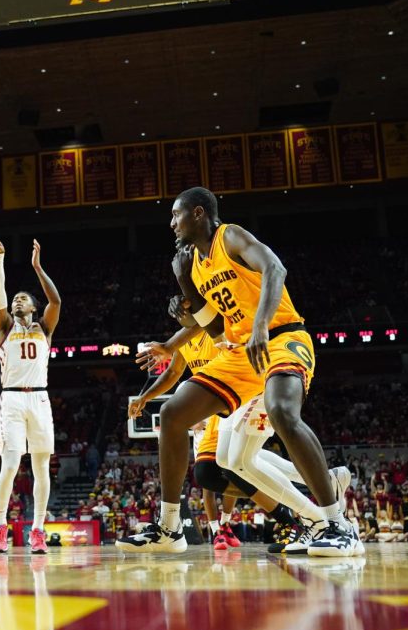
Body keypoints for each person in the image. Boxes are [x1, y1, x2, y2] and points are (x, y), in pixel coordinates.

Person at [134, 188, 359, 557]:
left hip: (283, 337)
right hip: (240, 354)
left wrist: (261, 326)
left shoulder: (230, 236)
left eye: (176, 215)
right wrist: (185, 286)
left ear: (199, 214)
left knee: (282, 412)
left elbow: (276, 268)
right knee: (174, 415)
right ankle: (169, 527)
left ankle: (337, 524)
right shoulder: (193, 263)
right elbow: (217, 331)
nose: (171, 223)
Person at [121, 295, 323, 554]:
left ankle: (292, 516)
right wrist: (145, 397)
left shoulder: (222, 328)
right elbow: (172, 373)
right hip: (204, 408)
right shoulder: (185, 341)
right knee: (217, 472)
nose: (184, 315)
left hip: (232, 399)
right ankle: (237, 524)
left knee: (221, 467)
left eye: (189, 310)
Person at [0, 238, 61, 555]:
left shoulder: (45, 327)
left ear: (33, 307)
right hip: (13, 400)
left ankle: (38, 530)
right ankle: (0, 526)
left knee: (42, 467)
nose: (17, 302)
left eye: (23, 299)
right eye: (15, 299)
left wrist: (37, 267)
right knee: (11, 464)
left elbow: (56, 301)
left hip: (40, 400)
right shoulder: (4, 325)